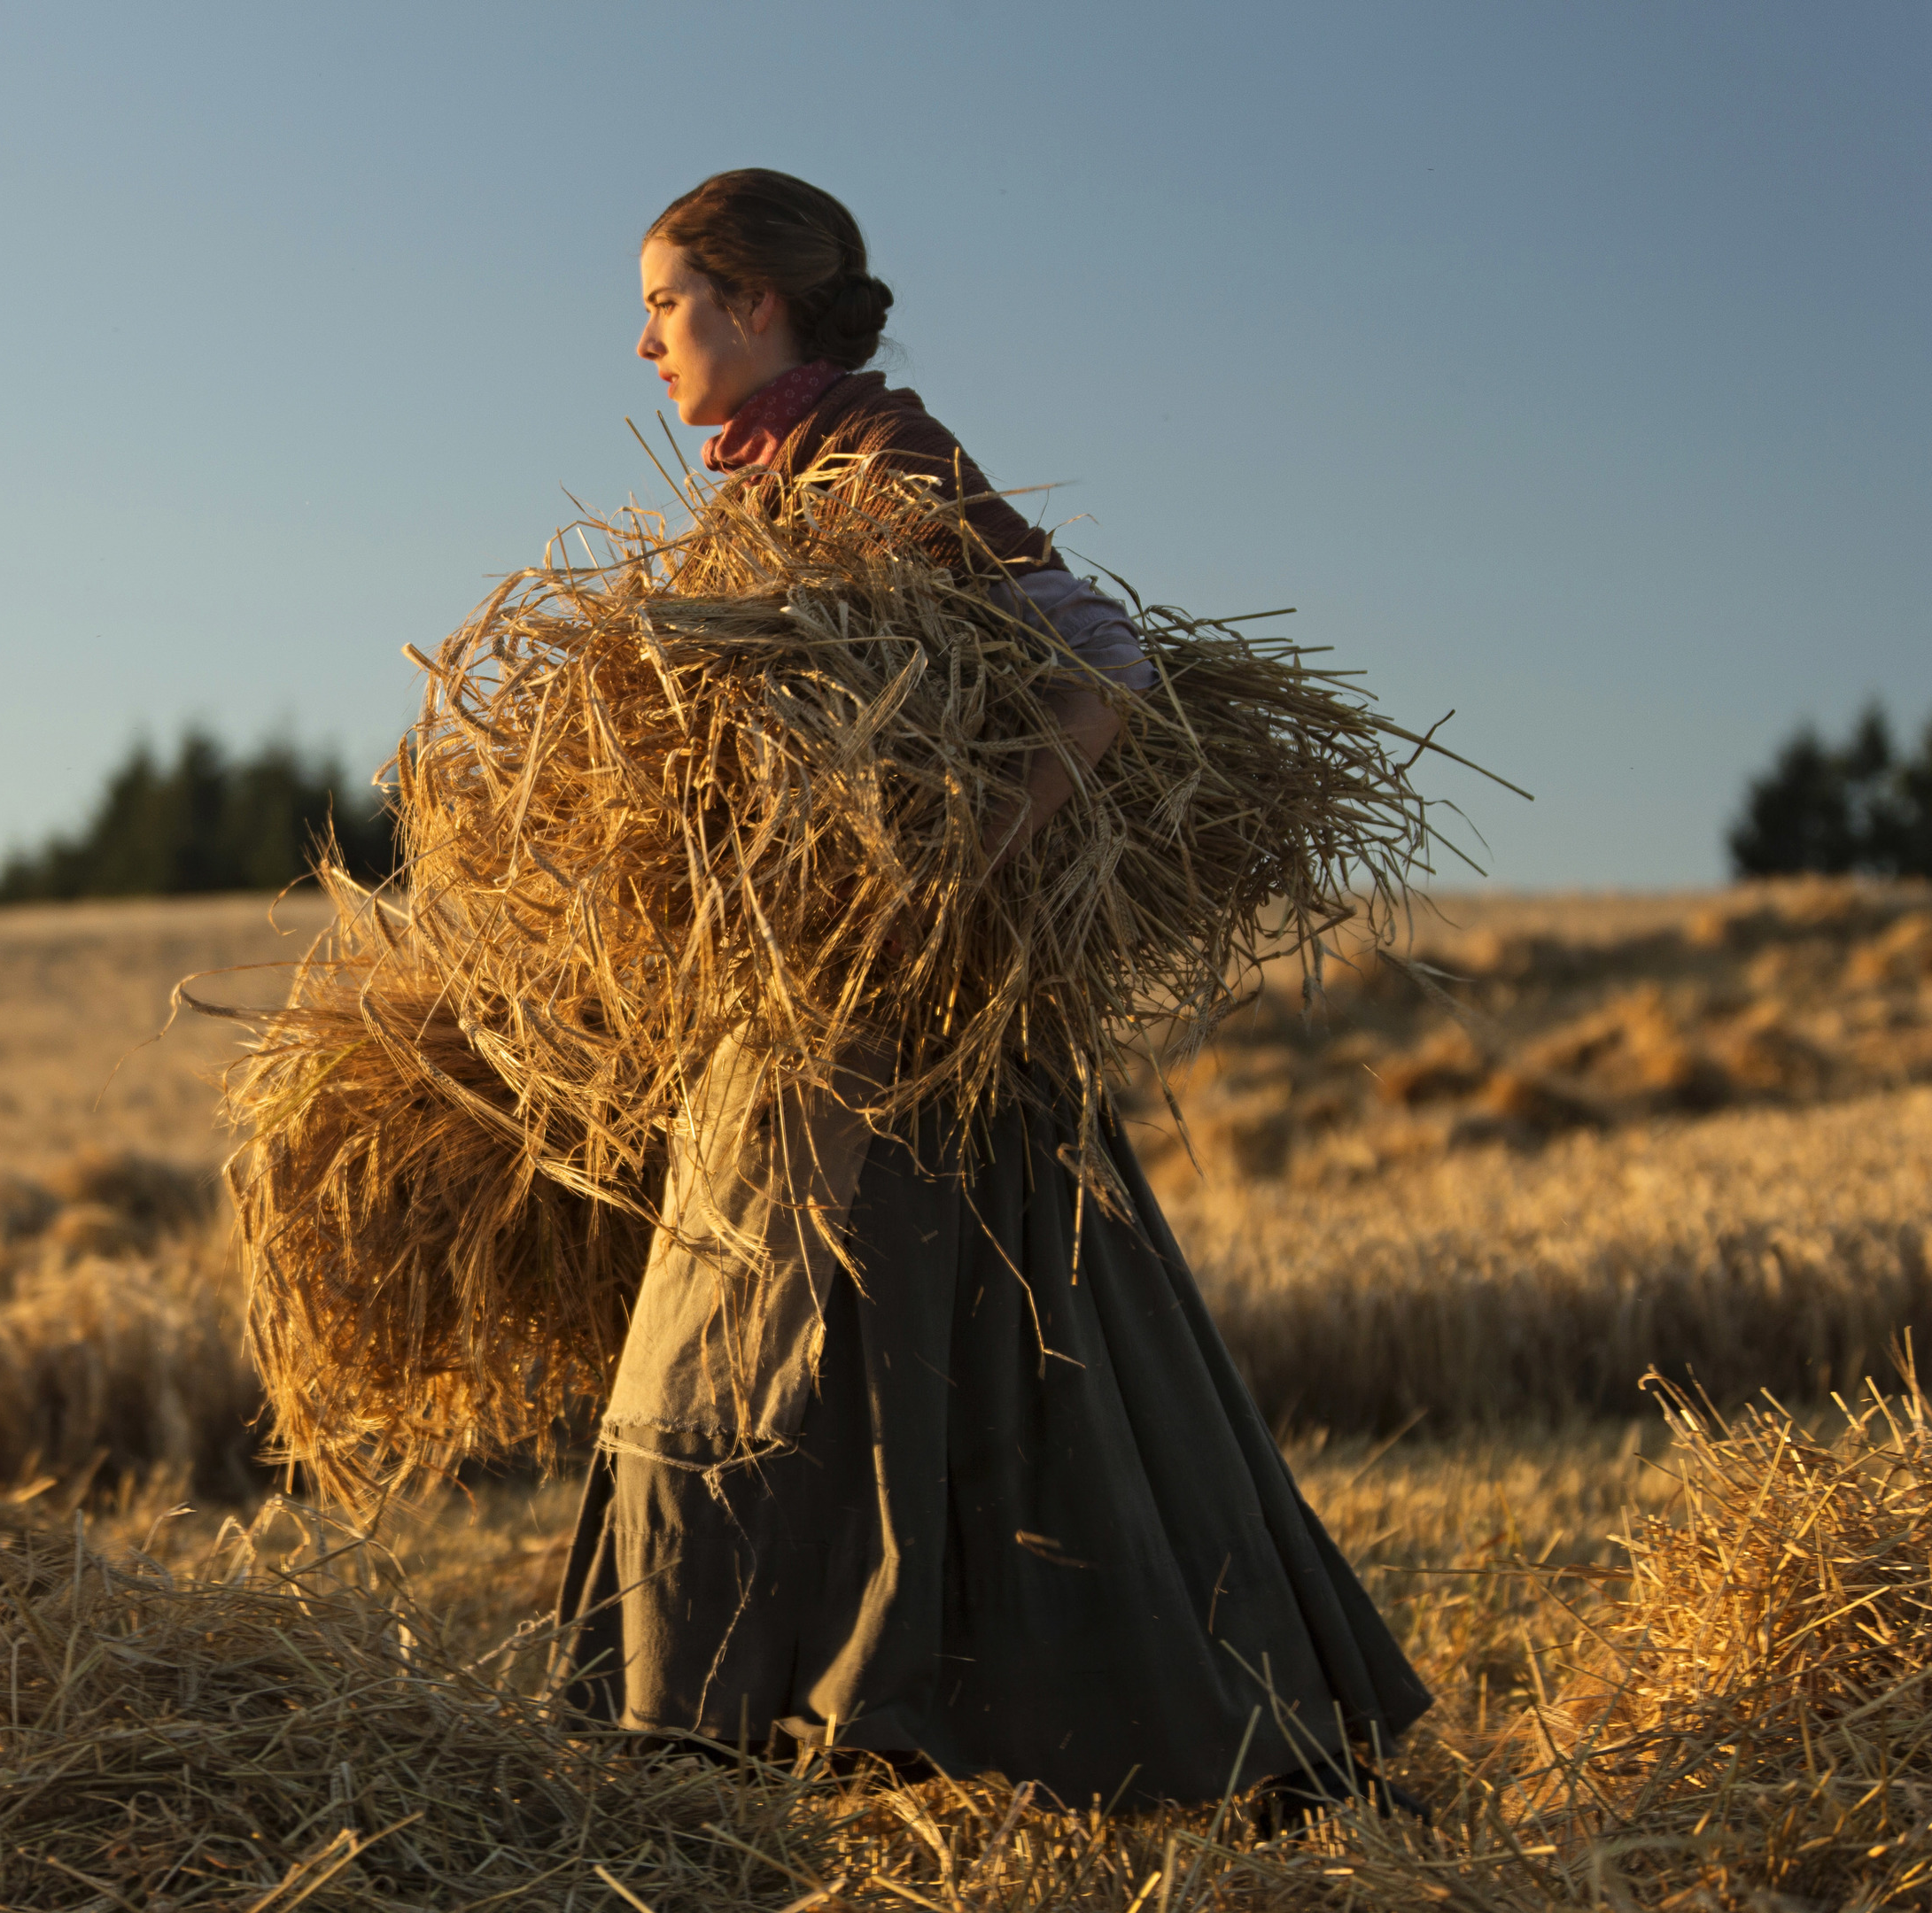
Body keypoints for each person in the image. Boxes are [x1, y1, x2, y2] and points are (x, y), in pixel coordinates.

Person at [553, 169, 1432, 1808]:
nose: (645, 340)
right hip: (799, 1024)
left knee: (922, 1361)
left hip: (912, 1037)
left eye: (668, 302)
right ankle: (761, 1731)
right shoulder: (772, 479)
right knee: (744, 1353)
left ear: (756, 305)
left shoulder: (880, 463)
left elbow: (1100, 654)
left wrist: (962, 862)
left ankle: (947, 1734)